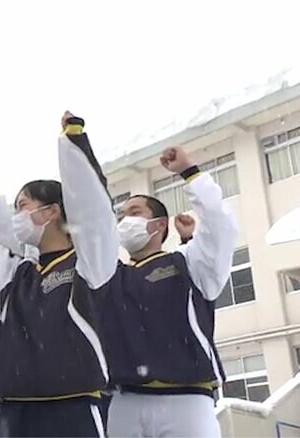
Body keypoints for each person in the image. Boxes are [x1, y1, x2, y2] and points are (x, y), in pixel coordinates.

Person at [53, 115, 237, 436]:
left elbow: (221, 227)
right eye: (122, 215)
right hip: (126, 400)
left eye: (135, 213)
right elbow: (91, 216)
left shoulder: (188, 265)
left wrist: (189, 172)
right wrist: (75, 146)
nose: (125, 221)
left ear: (159, 225)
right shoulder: (110, 274)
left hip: (186, 400)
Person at [0, 144, 108, 436]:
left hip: (73, 410)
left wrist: (75, 142)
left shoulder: (88, 264)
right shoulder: (13, 271)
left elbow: (97, 211)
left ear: (52, 211)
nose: (16, 217)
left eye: (23, 206)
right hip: (15, 413)